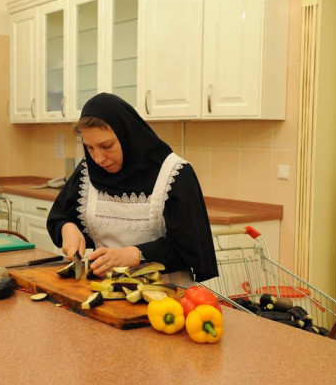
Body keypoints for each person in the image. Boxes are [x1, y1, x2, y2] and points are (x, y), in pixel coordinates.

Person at [46, 93, 218, 286]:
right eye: (90, 148)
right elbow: (59, 216)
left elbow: (192, 248)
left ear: (127, 135)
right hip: (105, 289)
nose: (98, 159)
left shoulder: (174, 173)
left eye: (106, 146)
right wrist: (67, 228)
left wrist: (136, 254)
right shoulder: (88, 171)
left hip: (167, 292)